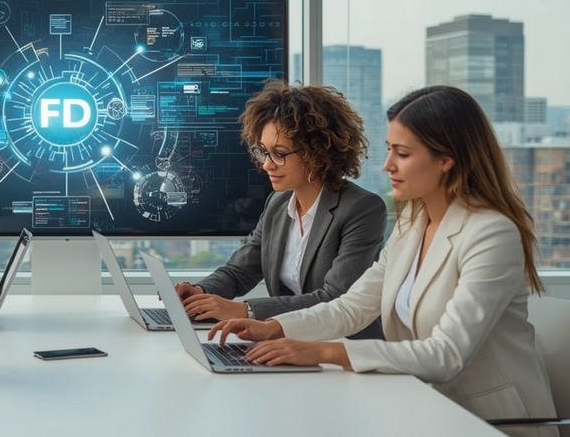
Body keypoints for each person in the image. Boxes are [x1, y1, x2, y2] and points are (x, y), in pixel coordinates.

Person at [209, 86, 557, 434]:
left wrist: (324, 353)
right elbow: (352, 307)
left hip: (491, 421)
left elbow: (446, 354)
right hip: (424, 405)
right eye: (390, 149)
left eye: (402, 153)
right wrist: (274, 328)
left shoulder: (491, 233)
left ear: (446, 159)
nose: (387, 164)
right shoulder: (412, 223)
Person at [175, 80, 385, 338]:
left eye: (280, 153)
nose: (266, 165)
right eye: (263, 152)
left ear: (316, 153)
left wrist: (246, 310)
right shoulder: (278, 203)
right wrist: (201, 292)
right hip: (288, 345)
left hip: (344, 348)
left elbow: (335, 298)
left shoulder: (362, 209)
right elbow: (239, 271)